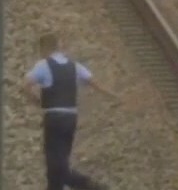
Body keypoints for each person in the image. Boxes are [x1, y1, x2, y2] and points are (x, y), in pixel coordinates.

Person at [24, 33, 115, 190]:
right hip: (71, 118)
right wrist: (113, 96)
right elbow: (93, 82)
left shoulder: (43, 64)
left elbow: (26, 85)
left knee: (55, 165)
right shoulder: (74, 65)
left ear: (44, 48)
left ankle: (90, 185)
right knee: (60, 161)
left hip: (54, 117)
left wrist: (37, 101)